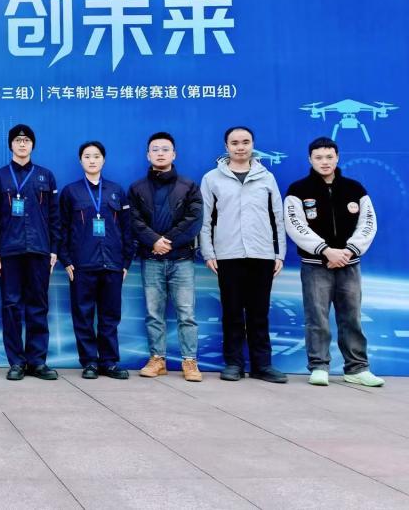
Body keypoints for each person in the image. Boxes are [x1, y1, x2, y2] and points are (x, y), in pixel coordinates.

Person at [284, 137, 383, 387]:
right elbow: (295, 225)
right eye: (318, 157)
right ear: (310, 159)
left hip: (349, 264)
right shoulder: (298, 190)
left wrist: (348, 251)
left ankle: (357, 368)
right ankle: (319, 366)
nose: (324, 162)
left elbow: (368, 223)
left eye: (329, 157)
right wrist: (326, 251)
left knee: (352, 318)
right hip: (315, 265)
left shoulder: (355, 188)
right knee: (316, 318)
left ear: (337, 157)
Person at [199, 126, 287, 383]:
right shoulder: (212, 179)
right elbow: (205, 220)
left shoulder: (266, 177)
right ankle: (234, 364)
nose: (240, 147)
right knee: (232, 312)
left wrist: (279, 253)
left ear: (253, 145)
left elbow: (278, 217)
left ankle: (262, 365)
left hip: (262, 254)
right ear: (226, 146)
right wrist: (208, 251)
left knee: (259, 313)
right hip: (228, 254)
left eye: (245, 142)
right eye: (235, 142)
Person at [0, 124, 60, 381]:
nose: (22, 144)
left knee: (38, 306)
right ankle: (16, 362)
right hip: (9, 252)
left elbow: (54, 216)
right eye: (17, 140)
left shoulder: (45, 176)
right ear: (11, 145)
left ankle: (37, 361)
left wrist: (53, 250)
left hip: (39, 250)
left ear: (32, 145)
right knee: (12, 306)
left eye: (26, 140)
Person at [128, 132, 204, 382]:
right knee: (154, 313)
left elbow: (194, 219)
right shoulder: (137, 188)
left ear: (174, 154)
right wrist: (154, 241)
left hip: (182, 260)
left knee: (186, 314)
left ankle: (190, 361)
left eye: (165, 149)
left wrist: (167, 241)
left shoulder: (189, 186)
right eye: (155, 149)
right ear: (147, 155)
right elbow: (134, 221)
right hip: (151, 260)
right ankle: (157, 359)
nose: (160, 153)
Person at [60, 141, 134, 380]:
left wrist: (125, 263)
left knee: (110, 316)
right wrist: (66, 260)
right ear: (80, 160)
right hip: (81, 265)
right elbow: (61, 229)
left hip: (112, 264)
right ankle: (90, 362)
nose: (92, 160)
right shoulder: (70, 192)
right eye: (87, 156)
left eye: (96, 156)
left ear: (104, 159)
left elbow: (127, 229)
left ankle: (109, 362)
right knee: (83, 316)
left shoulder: (116, 190)